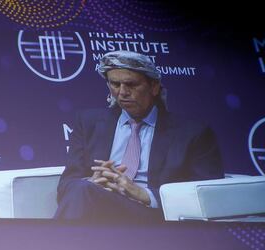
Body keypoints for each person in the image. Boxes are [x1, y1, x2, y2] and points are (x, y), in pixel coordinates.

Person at [55, 50, 223, 222]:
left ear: (154, 87)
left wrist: (142, 193)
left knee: (82, 192)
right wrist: (91, 182)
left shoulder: (193, 133)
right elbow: (66, 185)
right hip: (97, 208)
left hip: (152, 218)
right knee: (81, 189)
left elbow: (208, 196)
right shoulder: (88, 123)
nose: (122, 93)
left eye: (131, 84)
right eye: (115, 84)